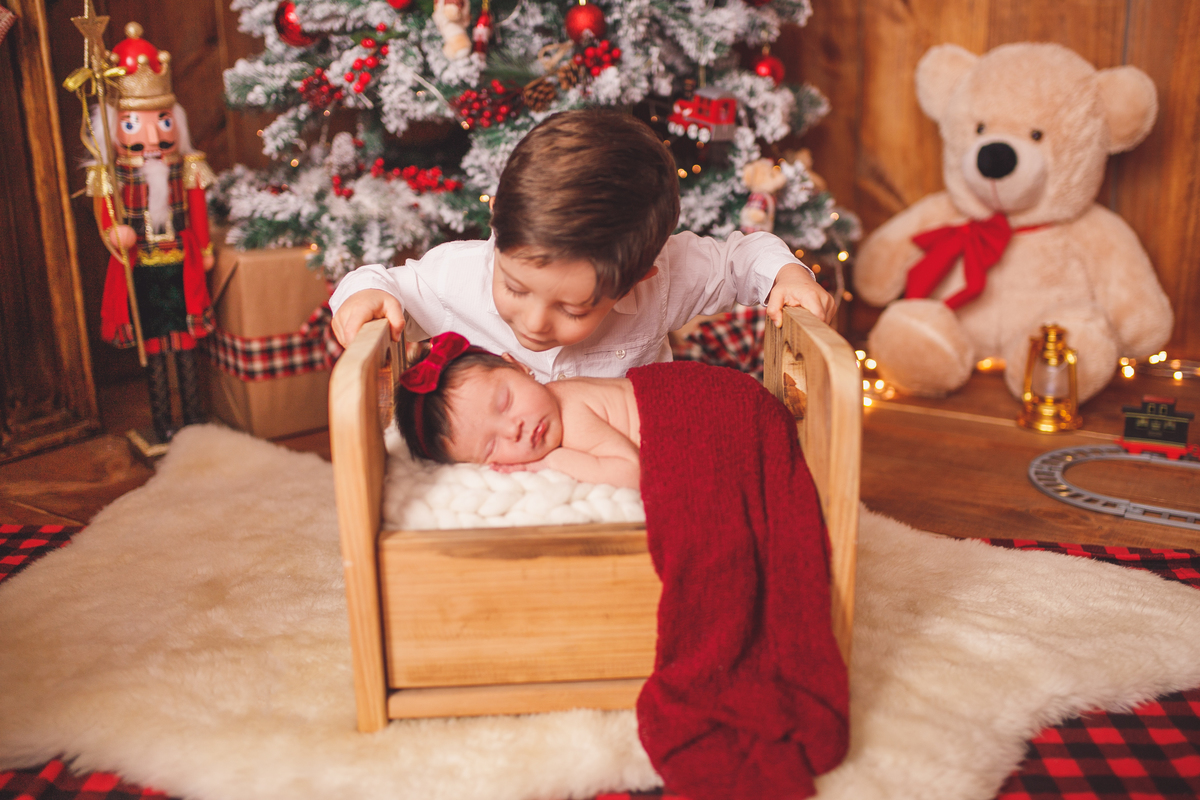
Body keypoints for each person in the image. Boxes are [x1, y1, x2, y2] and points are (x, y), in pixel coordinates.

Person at [330, 108, 834, 384]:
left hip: (621, 455)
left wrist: (787, 276)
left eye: (573, 308)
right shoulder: (456, 277)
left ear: (639, 276)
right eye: (514, 286)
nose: (532, 322)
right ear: (497, 232)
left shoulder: (666, 277)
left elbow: (741, 257)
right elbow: (383, 283)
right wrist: (363, 294)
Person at [85, 22, 216, 444]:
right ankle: (163, 420)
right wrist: (114, 233)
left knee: (185, 342)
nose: (152, 136)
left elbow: (196, 209)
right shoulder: (111, 175)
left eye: (161, 121)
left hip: (182, 263)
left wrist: (207, 246)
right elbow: (106, 215)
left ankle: (195, 417)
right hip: (141, 267)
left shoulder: (187, 166)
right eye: (133, 125)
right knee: (155, 346)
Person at [396, 332, 641, 489]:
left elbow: (633, 472)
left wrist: (553, 462)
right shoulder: (552, 403)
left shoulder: (572, 413)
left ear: (519, 367)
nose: (514, 429)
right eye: (492, 445)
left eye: (505, 403)